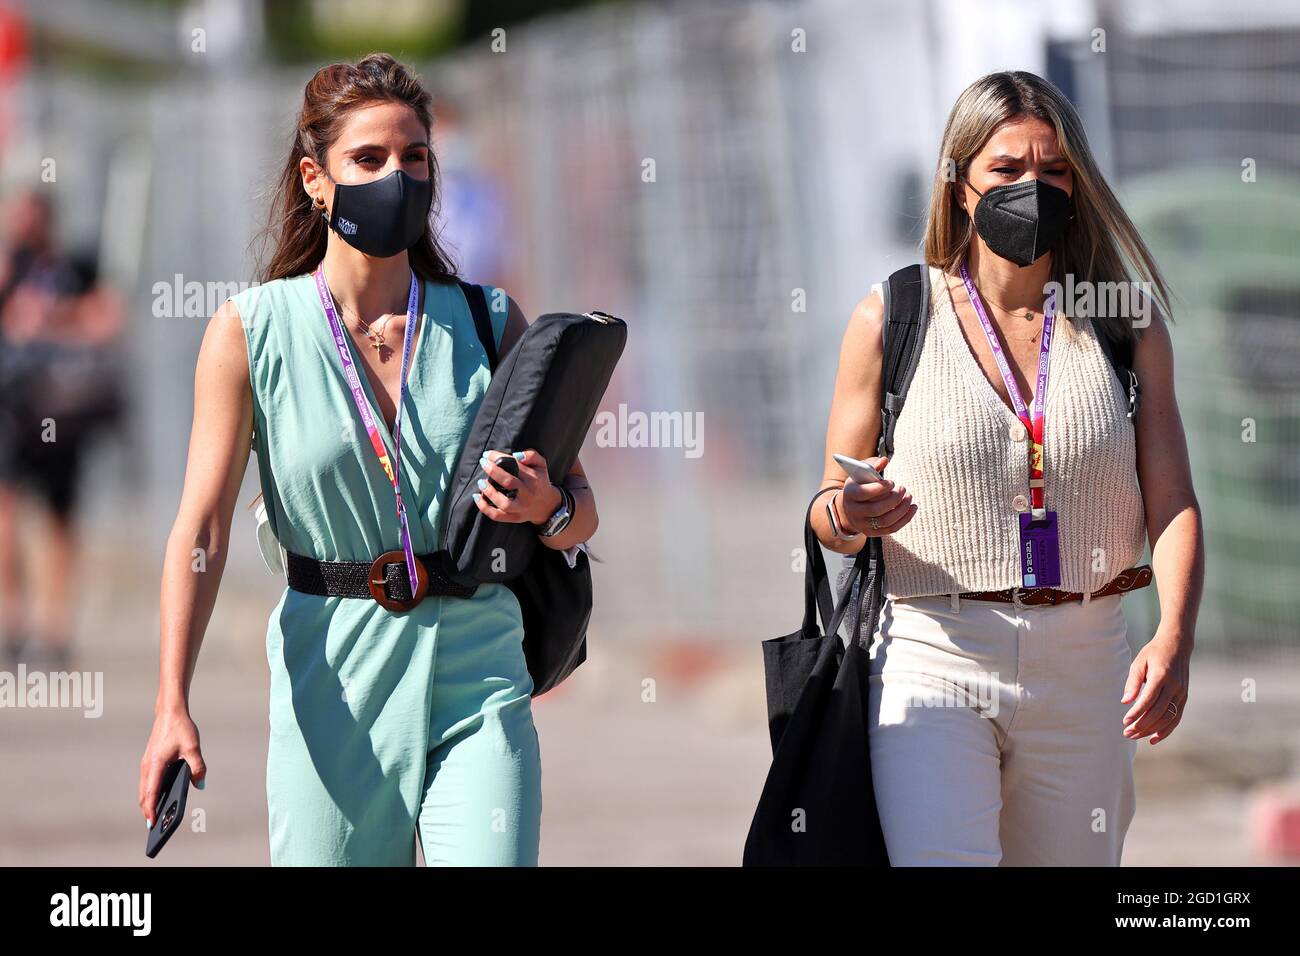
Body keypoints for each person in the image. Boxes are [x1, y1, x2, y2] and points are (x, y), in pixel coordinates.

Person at [137, 53, 597, 866]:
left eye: (414, 158)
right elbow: (200, 526)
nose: (398, 176)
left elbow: (578, 512)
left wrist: (544, 509)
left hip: (479, 668)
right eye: (370, 159)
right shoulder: (252, 332)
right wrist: (171, 699)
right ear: (316, 179)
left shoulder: (491, 321)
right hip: (336, 675)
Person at [814, 71, 1202, 865]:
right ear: (960, 187)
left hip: (1088, 659)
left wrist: (1174, 637)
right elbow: (826, 507)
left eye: (1054, 171)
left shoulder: (1124, 323)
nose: (1034, 188)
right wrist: (851, 516)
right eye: (1007, 170)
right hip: (934, 651)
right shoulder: (892, 315)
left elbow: (1173, 503)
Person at [0, 190, 125, 668]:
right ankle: (13, 622)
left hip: (59, 412)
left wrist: (52, 318)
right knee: (7, 518)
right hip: (11, 412)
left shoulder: (74, 267)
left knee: (59, 522)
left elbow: (108, 318)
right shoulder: (10, 270)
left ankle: (55, 627)